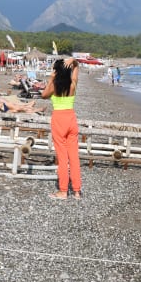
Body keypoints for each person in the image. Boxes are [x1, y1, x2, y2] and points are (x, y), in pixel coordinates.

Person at [41, 57, 81, 200]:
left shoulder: (54, 86)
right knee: (74, 156)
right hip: (71, 118)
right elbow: (77, 68)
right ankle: (76, 191)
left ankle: (63, 191)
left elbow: (44, 95)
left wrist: (51, 79)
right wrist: (74, 61)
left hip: (59, 120)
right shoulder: (72, 84)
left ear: (57, 71)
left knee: (63, 158)